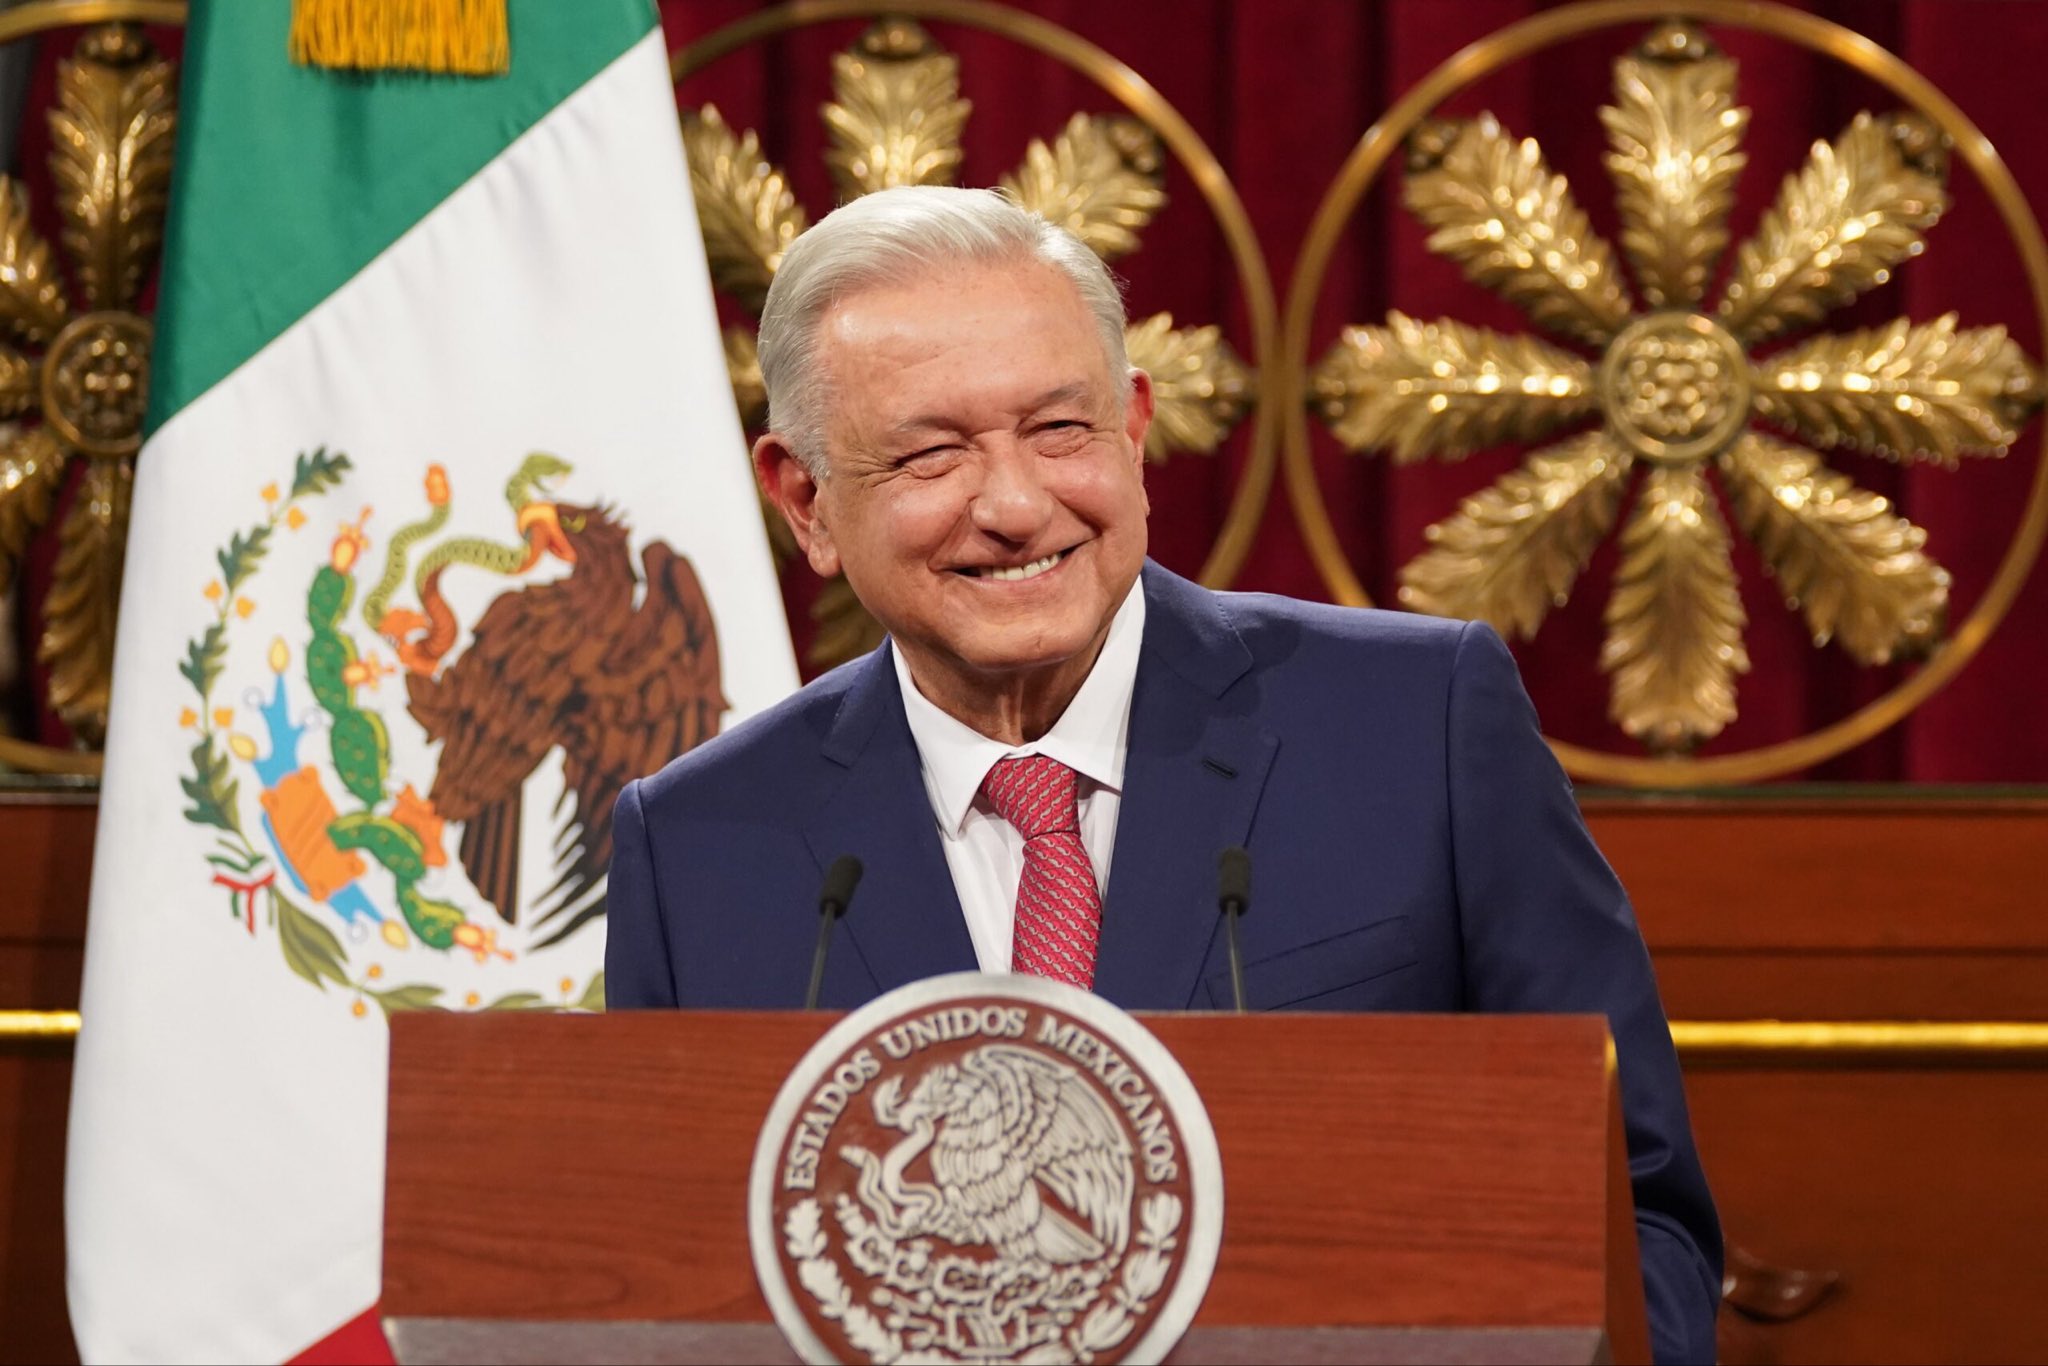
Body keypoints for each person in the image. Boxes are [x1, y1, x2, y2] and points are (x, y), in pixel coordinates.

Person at [605, 185, 1720, 1363]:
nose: (1016, 504)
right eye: (931, 453)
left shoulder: (1417, 727)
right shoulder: (699, 846)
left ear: (1133, 430)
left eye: (1059, 430)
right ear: (805, 501)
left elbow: (1638, 1212)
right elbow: (658, 1286)